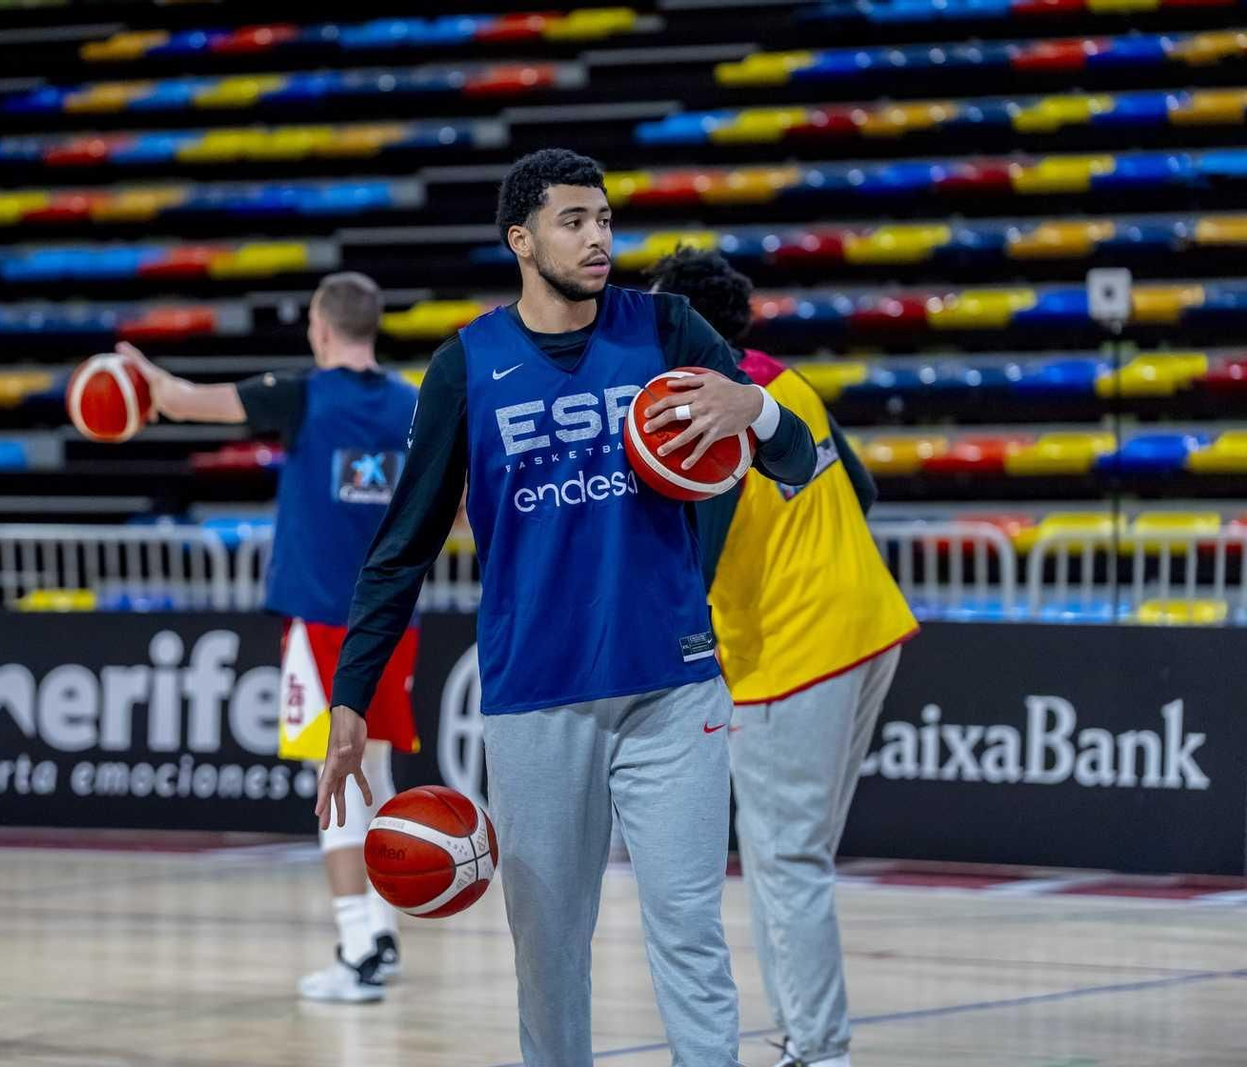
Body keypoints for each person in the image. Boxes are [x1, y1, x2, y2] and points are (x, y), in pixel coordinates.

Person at [318, 148, 819, 1066]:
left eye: (605, 220)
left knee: (690, 933)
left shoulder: (666, 328)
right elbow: (404, 545)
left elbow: (798, 463)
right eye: (574, 222)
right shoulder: (466, 365)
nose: (598, 239)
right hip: (536, 696)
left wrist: (754, 406)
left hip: (674, 686)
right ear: (522, 239)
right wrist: (350, 696)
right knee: (548, 955)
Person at [647, 248, 919, 1067]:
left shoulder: (698, 408)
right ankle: (805, 1034)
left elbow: (695, 555)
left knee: (786, 861)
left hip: (791, 650)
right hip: (868, 626)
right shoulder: (787, 383)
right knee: (791, 860)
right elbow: (862, 491)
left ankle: (818, 1049)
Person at [119, 272, 420, 1003]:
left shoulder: (305, 393)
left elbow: (190, 403)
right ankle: (379, 928)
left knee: (338, 784)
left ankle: (356, 948)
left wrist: (139, 375)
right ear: (371, 326)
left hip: (323, 617)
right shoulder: (413, 402)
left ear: (320, 328)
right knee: (372, 778)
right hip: (394, 620)